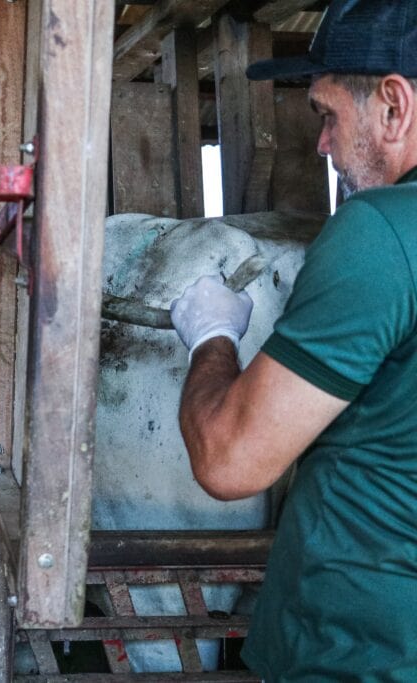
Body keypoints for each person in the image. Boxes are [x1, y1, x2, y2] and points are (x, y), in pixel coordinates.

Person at [168, 1, 417, 679]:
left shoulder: (382, 233)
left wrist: (211, 336)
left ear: (393, 106)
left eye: (327, 114)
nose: (322, 146)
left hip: (360, 651)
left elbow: (229, 459)